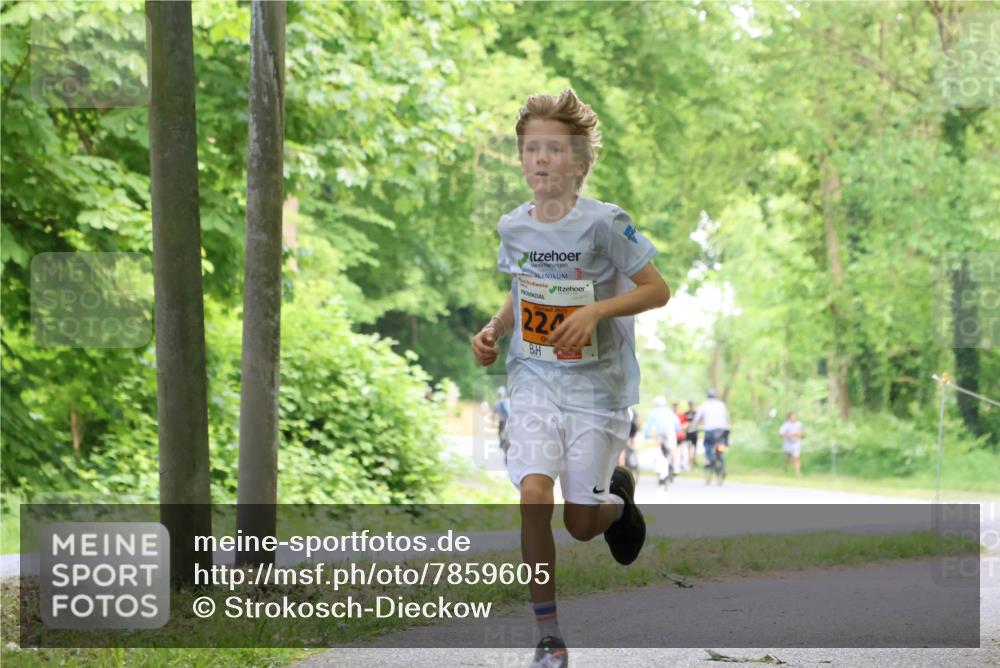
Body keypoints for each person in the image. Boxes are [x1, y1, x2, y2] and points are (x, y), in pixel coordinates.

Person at [470, 88, 670, 668]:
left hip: (596, 388)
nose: (540, 159)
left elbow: (657, 290)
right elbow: (519, 289)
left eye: (554, 150)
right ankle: (549, 639)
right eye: (531, 148)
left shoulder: (608, 224)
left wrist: (594, 312)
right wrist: (495, 329)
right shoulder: (514, 227)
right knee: (534, 494)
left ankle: (618, 502)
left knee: (581, 525)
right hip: (534, 378)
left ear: (580, 162)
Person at [644, 396, 682, 487]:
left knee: (658, 450)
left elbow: (648, 425)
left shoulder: (654, 412)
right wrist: (677, 431)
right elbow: (677, 425)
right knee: (672, 449)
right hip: (670, 432)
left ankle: (660, 470)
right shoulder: (670, 412)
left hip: (660, 433)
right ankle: (676, 468)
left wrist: (646, 435)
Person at [691, 389, 730, 470]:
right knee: (723, 443)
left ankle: (710, 460)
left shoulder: (704, 405)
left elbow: (697, 419)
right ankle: (722, 458)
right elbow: (727, 417)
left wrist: (693, 427)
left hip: (710, 429)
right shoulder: (721, 404)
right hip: (723, 430)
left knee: (707, 444)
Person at [779, 411, 804, 475]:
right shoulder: (786, 425)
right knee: (788, 457)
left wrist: (800, 435)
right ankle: (785, 468)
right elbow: (781, 434)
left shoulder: (799, 424)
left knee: (797, 457)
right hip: (788, 443)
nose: (794, 418)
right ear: (789, 418)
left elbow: (802, 433)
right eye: (792, 417)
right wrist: (790, 435)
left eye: (794, 416)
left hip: (796, 443)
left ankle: (797, 472)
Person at [494, 387, 512, 460]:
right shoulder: (506, 401)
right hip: (505, 421)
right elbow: (495, 411)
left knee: (503, 434)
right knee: (502, 434)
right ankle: (503, 445)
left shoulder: (505, 401)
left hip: (506, 421)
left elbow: (495, 411)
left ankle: (503, 445)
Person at [672, 401, 690, 472]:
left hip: (680, 436)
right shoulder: (670, 415)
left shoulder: (681, 415)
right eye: (674, 406)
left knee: (682, 450)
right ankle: (676, 466)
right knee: (675, 451)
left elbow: (686, 423)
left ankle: (683, 465)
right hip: (673, 436)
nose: (675, 408)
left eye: (676, 406)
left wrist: (683, 427)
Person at [683, 399, 698, 468]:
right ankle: (689, 461)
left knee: (694, 447)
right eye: (689, 405)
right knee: (688, 446)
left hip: (694, 432)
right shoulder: (686, 413)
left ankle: (693, 460)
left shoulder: (696, 413)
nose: (690, 406)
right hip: (688, 433)